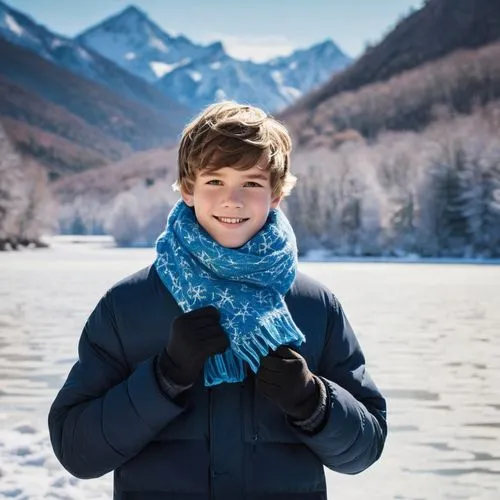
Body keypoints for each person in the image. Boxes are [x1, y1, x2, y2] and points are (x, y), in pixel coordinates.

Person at [48, 101, 387, 500]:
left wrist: (314, 401)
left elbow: (366, 449)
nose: (233, 199)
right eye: (214, 182)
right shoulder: (127, 305)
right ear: (188, 189)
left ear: (275, 194)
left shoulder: (314, 306)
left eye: (252, 183)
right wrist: (163, 378)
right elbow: (76, 451)